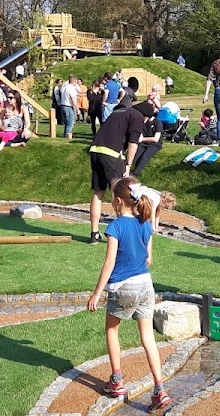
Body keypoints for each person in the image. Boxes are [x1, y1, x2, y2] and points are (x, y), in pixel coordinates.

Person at [85, 177, 172, 411]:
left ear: (119, 200)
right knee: (148, 338)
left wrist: (96, 294)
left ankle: (117, 380)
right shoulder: (145, 223)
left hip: (123, 287)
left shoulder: (115, 227)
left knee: (112, 329)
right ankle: (159, 389)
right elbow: (148, 258)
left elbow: (110, 262)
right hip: (145, 285)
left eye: (113, 196)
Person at [87, 98, 145, 243]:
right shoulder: (137, 116)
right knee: (120, 193)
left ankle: (94, 233)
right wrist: (128, 164)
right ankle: (122, 233)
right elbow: (133, 143)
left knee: (98, 192)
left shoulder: (117, 112)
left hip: (95, 150)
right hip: (111, 154)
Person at [131, 94, 164, 176]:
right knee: (135, 155)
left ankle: (135, 173)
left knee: (145, 156)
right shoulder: (142, 122)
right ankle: (125, 170)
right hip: (143, 143)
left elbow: (156, 139)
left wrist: (142, 139)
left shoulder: (157, 122)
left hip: (154, 145)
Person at [62, 75, 80, 141]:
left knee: (67, 124)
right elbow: (73, 99)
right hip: (68, 106)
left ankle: (64, 136)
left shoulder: (64, 87)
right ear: (74, 81)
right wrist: (77, 108)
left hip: (63, 106)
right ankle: (67, 138)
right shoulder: (72, 88)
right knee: (70, 123)